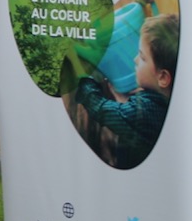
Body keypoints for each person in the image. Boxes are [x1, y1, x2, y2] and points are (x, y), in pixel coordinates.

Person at [74, 11, 178, 169]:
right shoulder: (167, 102)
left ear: (163, 77)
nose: (135, 59)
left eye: (142, 58)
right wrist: (123, 102)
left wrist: (82, 79)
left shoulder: (146, 112)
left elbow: (101, 109)